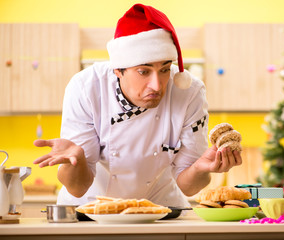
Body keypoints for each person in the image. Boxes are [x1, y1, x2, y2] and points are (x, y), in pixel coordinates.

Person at [33, 4, 242, 207]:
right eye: (144, 71)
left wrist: (201, 169)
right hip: (91, 208)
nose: (157, 85)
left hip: (159, 209)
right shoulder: (85, 88)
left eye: (165, 69)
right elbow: (78, 187)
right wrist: (75, 160)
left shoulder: (189, 91)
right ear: (118, 69)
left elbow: (189, 187)